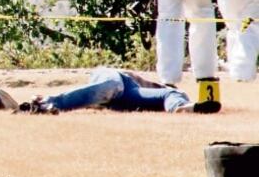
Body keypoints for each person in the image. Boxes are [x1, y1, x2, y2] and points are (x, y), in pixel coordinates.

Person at [16, 67, 220, 114]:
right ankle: (50, 102)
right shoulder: (108, 72)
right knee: (111, 85)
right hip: (123, 83)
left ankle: (182, 108)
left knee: (172, 95)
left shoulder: (167, 90)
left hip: (127, 94)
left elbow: (169, 91)